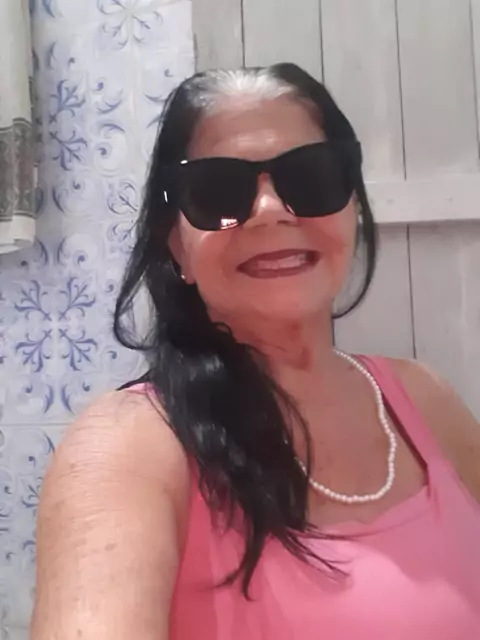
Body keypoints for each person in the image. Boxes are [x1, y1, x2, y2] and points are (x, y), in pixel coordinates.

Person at [31, 63, 480, 640]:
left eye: (310, 178)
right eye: (220, 191)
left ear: (352, 209)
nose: (270, 210)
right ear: (178, 248)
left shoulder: (423, 399)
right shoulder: (130, 446)